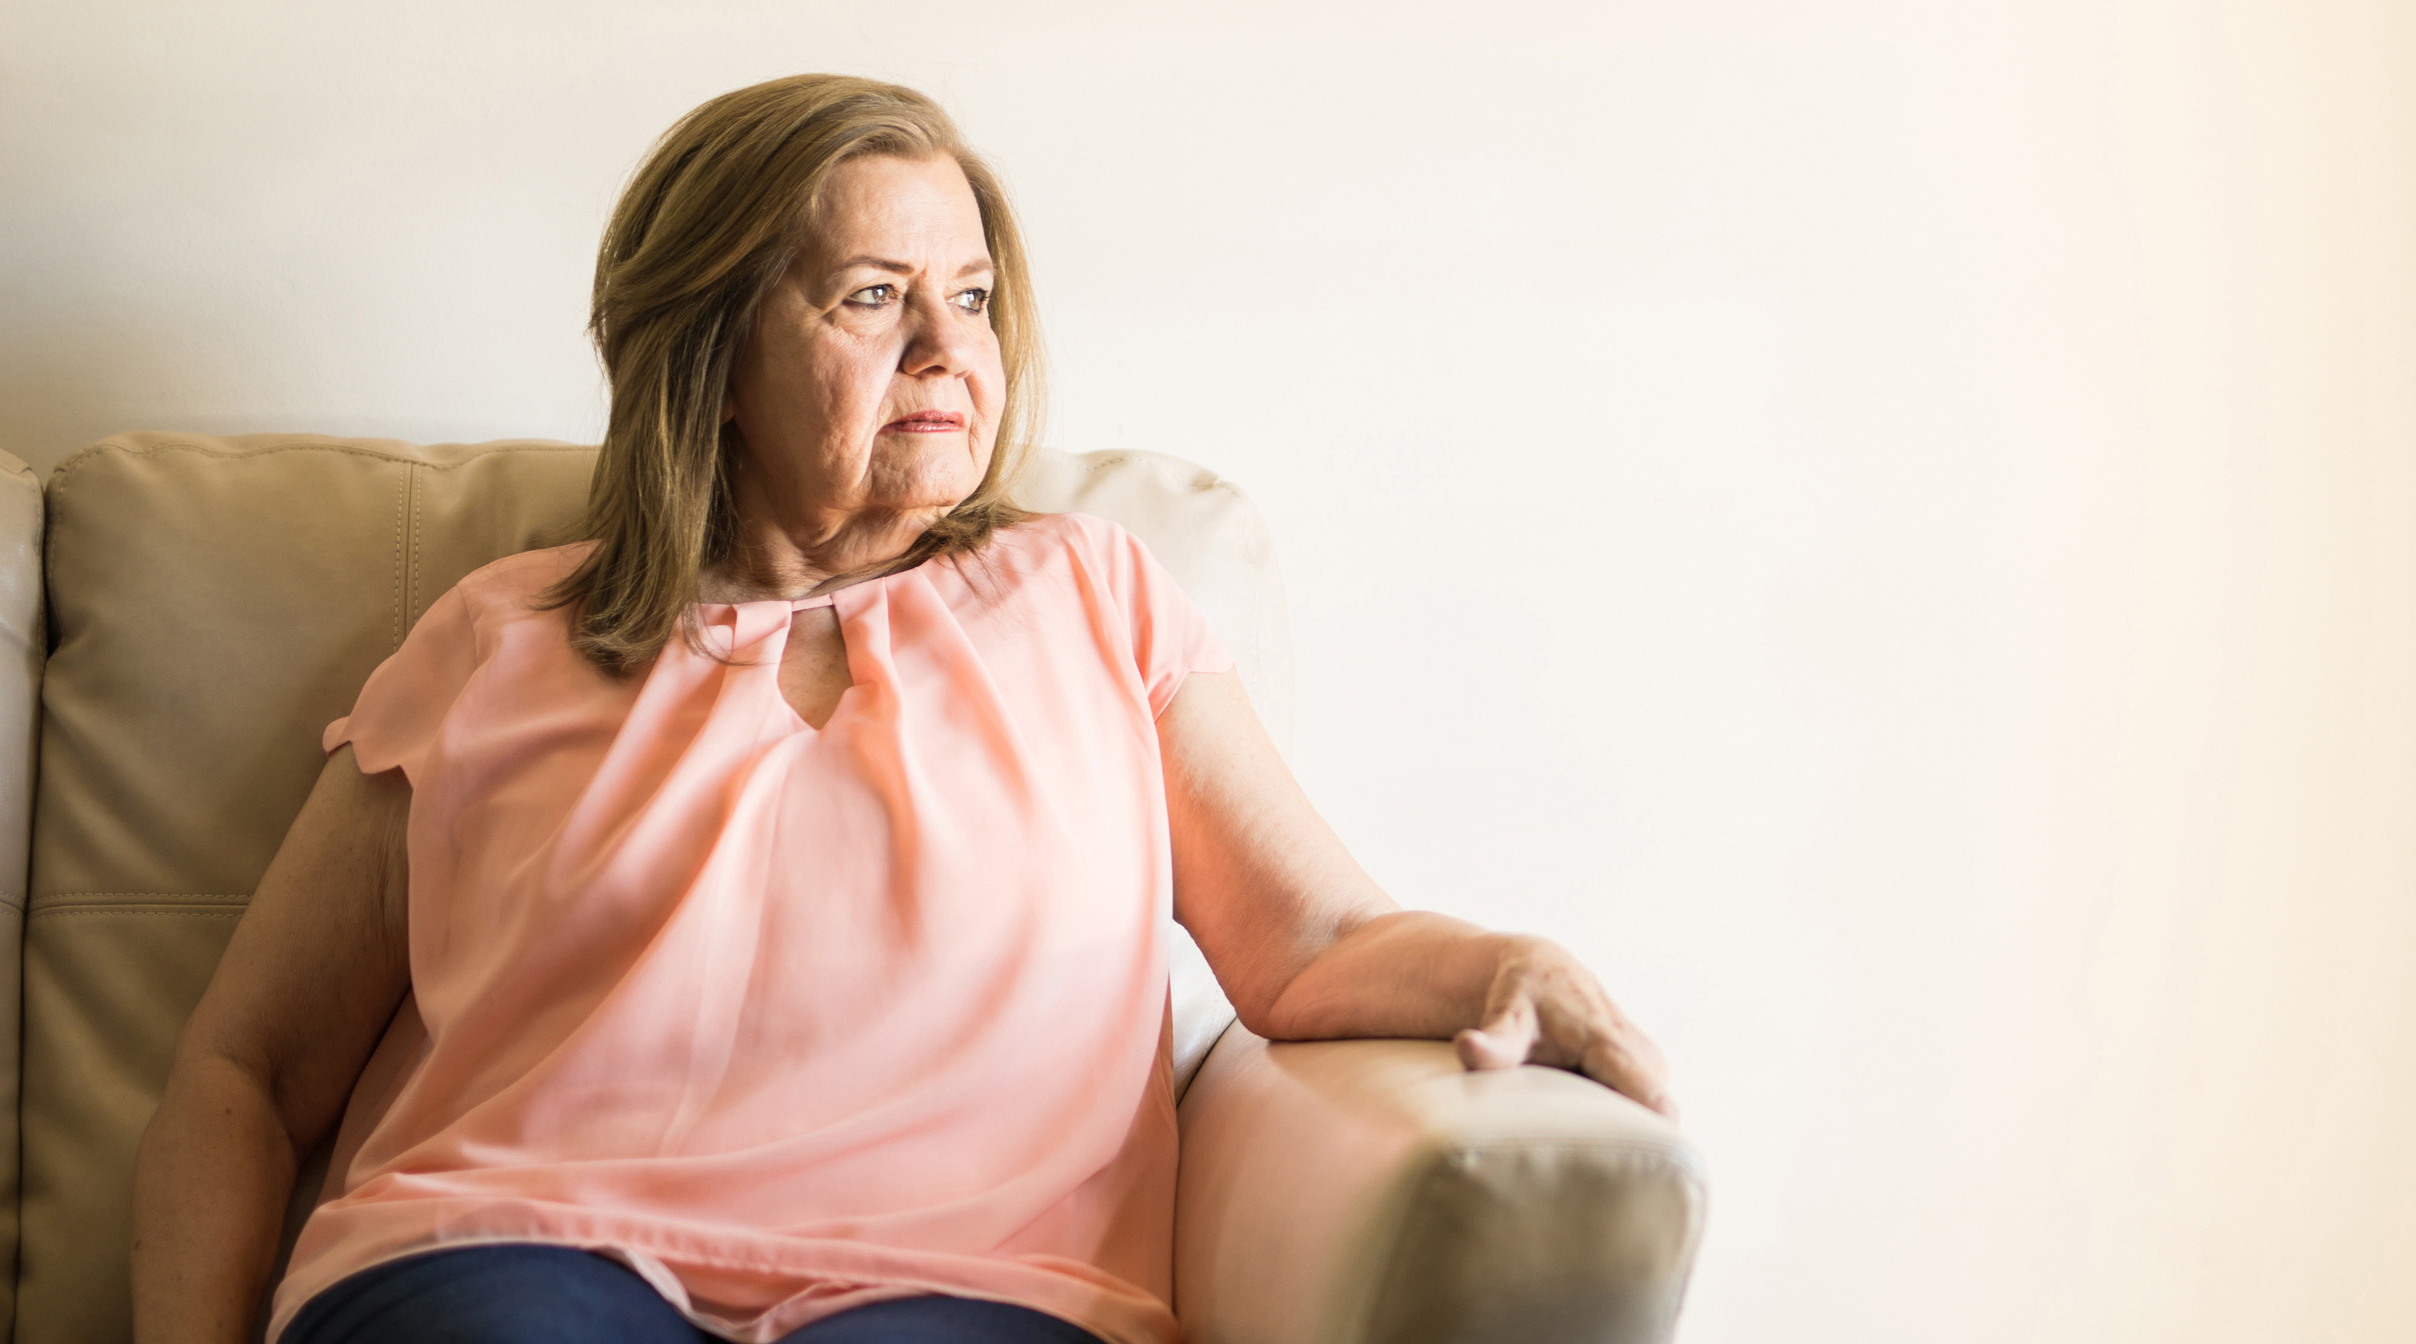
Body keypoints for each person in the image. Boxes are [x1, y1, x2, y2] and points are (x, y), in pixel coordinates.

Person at [128, 73, 1674, 1344]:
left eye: (974, 297)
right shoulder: (498, 638)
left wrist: (1512, 963)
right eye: (876, 296)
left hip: (968, 1287)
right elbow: (245, 1071)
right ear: (715, 354)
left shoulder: (1095, 600)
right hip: (508, 1257)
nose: (949, 350)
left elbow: (1317, 945)